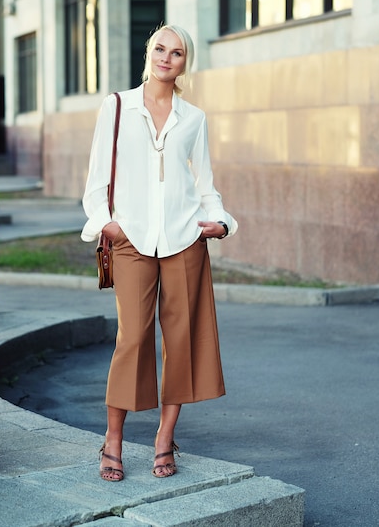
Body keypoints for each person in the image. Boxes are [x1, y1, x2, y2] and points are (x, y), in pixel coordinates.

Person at [81, 24, 238, 481]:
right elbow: (95, 186)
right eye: (160, 48)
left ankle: (164, 440)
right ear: (148, 52)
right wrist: (108, 226)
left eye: (177, 52)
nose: (166, 57)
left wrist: (223, 222)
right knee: (132, 338)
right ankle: (112, 441)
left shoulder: (194, 118)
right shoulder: (116, 107)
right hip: (130, 240)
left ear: (186, 63)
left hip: (185, 240)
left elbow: (205, 185)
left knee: (182, 342)